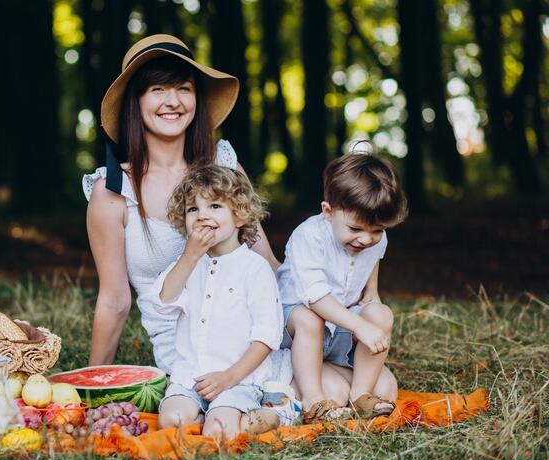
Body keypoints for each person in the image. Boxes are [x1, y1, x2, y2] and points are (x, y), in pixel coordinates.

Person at [82, 34, 280, 373]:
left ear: (196, 99)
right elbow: (115, 300)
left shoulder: (225, 167)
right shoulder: (113, 191)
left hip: (251, 337)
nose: (172, 101)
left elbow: (264, 258)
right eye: (157, 89)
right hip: (185, 352)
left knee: (345, 384)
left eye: (184, 88)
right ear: (136, 101)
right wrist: (92, 382)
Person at [140, 165, 283, 439]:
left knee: (221, 431)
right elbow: (164, 302)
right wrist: (190, 256)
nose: (202, 215)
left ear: (240, 216)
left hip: (237, 379)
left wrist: (229, 377)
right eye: (193, 209)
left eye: (215, 206)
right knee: (171, 420)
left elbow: (266, 337)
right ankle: (206, 411)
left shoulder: (255, 268)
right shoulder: (185, 264)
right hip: (190, 377)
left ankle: (275, 413)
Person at [276, 150, 408, 423]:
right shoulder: (309, 236)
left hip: (338, 330)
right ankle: (313, 398)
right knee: (309, 317)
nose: (366, 239)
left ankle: (361, 394)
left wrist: (371, 294)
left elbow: (372, 260)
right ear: (328, 211)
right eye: (356, 229)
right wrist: (359, 326)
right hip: (295, 331)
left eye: (377, 230)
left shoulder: (375, 238)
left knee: (381, 320)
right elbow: (316, 299)